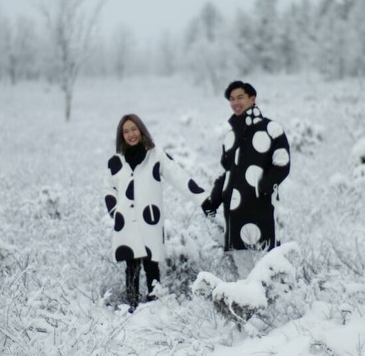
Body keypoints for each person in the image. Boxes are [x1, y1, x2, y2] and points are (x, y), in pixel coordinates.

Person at [104, 114, 209, 312]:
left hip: (150, 220)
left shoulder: (156, 155)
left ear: (141, 130)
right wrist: (114, 212)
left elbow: (179, 176)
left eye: (134, 129)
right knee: (131, 268)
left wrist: (203, 199)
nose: (131, 134)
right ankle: (132, 309)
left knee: (151, 265)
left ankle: (155, 308)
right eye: (125, 131)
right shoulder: (115, 162)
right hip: (126, 222)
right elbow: (108, 189)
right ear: (121, 136)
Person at [201, 81, 291, 277]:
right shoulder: (230, 137)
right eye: (231, 99)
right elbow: (223, 173)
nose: (235, 103)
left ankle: (274, 306)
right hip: (234, 213)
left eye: (240, 97)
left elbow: (282, 164)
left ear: (252, 98)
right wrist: (213, 200)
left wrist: (264, 188)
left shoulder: (271, 129)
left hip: (262, 208)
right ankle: (247, 305)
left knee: (268, 264)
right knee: (243, 270)